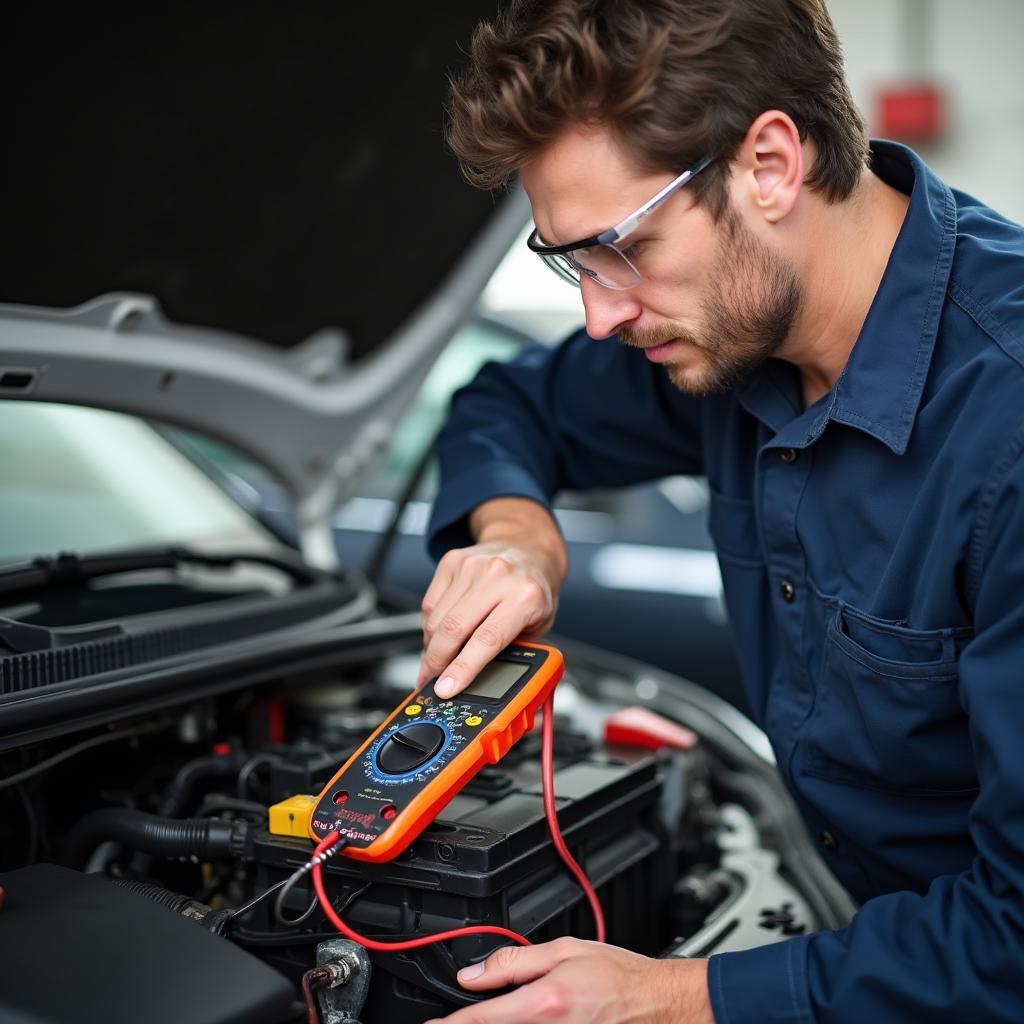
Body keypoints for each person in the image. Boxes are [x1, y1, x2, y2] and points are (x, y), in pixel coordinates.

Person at [417, 1, 1024, 1021]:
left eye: (618, 247)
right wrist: (519, 537)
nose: (600, 313)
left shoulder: (1003, 428)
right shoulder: (735, 329)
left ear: (770, 166)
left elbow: (1012, 943)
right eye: (571, 262)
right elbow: (507, 402)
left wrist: (671, 995)